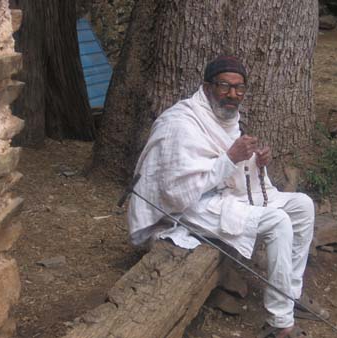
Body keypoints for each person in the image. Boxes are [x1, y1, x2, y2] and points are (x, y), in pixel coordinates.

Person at [128, 55, 319, 338]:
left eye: (239, 88)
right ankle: (281, 323)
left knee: (303, 205)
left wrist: (256, 162)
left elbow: (230, 170)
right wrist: (231, 158)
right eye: (225, 86)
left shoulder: (226, 118)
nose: (233, 95)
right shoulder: (180, 124)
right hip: (187, 207)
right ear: (207, 87)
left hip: (225, 196)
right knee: (278, 221)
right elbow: (176, 190)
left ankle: (289, 295)